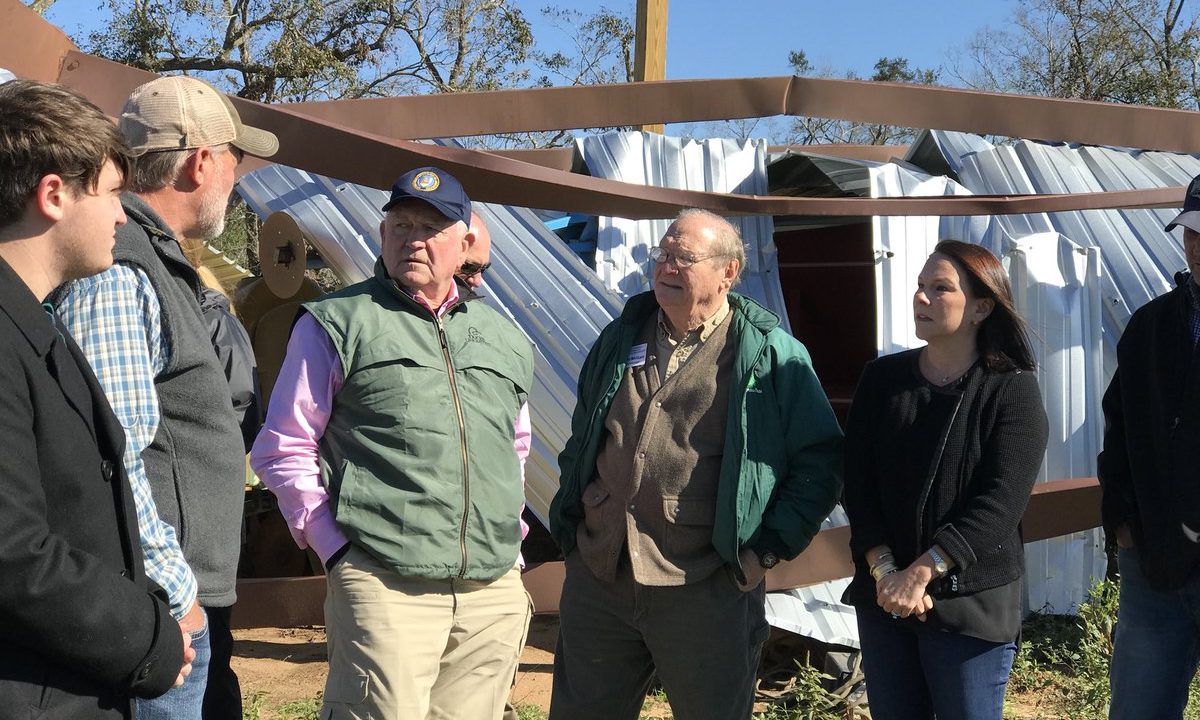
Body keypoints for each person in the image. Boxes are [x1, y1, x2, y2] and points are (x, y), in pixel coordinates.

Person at [251, 166, 534, 720]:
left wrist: (513, 546)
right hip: (385, 584)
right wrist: (336, 549)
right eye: (401, 225)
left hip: (490, 592)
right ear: (383, 235)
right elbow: (283, 445)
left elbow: (514, 448)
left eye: (431, 228)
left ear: (464, 244)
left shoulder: (503, 338)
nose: (413, 240)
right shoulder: (337, 322)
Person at [547, 209, 843, 720]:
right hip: (600, 574)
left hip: (706, 584)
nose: (666, 267)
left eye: (683, 258)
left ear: (728, 272)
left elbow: (820, 462)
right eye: (662, 254)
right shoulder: (622, 336)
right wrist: (574, 534)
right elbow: (584, 436)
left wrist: (765, 551)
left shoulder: (767, 353)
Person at [54, 75, 279, 720]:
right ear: (201, 162)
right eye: (235, 159)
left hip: (179, 598)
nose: (235, 178)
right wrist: (175, 592)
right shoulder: (121, 268)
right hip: (160, 608)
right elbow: (109, 452)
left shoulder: (157, 260)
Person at [0, 78, 191, 718]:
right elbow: (11, 553)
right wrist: (148, 638)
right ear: (53, 195)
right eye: (111, 193)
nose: (121, 216)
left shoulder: (37, 324)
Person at [841, 240, 1048, 720]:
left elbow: (1000, 503)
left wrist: (921, 572)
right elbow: (857, 484)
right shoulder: (883, 380)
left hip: (969, 604)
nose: (922, 297)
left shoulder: (1011, 389)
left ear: (981, 307)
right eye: (920, 286)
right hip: (886, 600)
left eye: (940, 288)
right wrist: (886, 572)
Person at [1099, 175, 1200, 720]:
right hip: (1155, 561)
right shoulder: (1151, 325)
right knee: (1139, 709)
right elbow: (1118, 426)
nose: (1198, 246)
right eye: (1192, 232)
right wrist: (1121, 521)